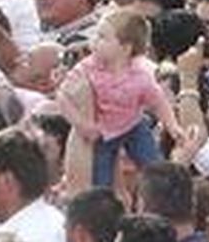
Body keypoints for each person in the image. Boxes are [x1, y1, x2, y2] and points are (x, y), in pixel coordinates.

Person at [56, 10, 181, 187]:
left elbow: (158, 102)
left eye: (102, 38)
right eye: (95, 36)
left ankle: (163, 189)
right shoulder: (86, 69)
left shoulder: (140, 75)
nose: (94, 42)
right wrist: (81, 123)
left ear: (125, 48)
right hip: (102, 132)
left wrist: (173, 126)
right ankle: (105, 204)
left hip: (133, 125)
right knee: (101, 178)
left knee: (154, 167)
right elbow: (63, 97)